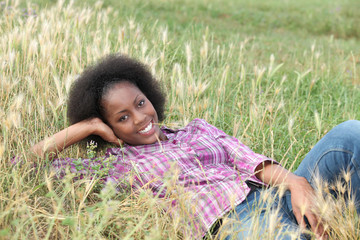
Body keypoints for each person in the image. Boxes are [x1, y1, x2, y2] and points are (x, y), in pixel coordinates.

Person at [31, 54, 360, 239]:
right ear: (108, 127)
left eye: (141, 103)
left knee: (350, 132)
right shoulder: (117, 165)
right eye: (122, 117)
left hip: (275, 196)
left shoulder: (196, 130)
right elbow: (27, 165)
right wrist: (84, 127)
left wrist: (297, 183)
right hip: (236, 224)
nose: (141, 118)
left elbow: (249, 161)